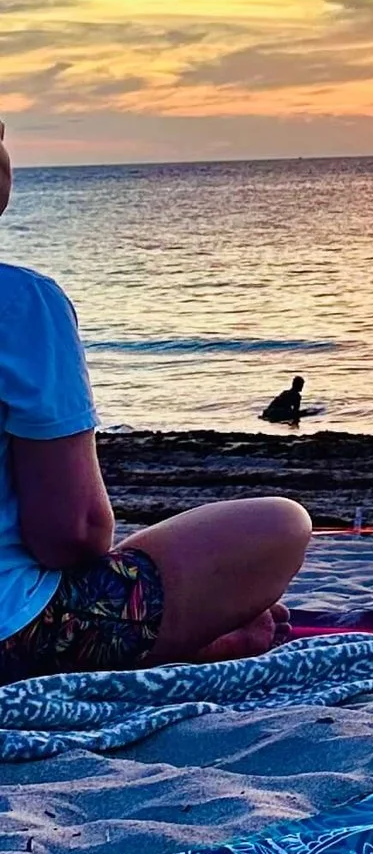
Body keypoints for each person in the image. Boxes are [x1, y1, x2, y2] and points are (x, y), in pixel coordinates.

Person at [0, 122, 312, 678]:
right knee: (280, 525)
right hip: (20, 636)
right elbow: (70, 535)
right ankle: (191, 644)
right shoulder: (20, 303)